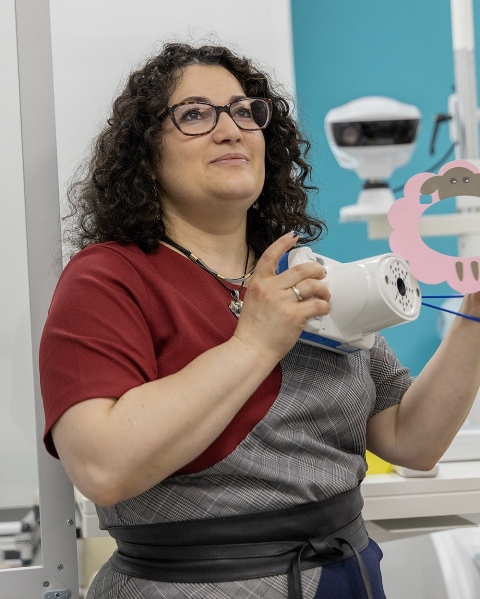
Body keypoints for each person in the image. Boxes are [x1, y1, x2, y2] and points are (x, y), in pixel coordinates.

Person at [39, 42, 480, 599]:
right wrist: (253, 343)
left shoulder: (307, 272)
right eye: (195, 114)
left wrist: (475, 311)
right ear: (144, 153)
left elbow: (411, 440)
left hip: (345, 577)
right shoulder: (106, 279)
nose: (231, 130)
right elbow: (102, 467)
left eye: (246, 112)